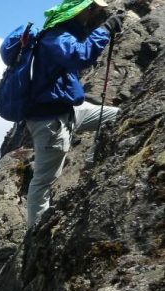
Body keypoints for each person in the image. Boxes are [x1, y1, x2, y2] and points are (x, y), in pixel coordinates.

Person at [25, 0, 123, 227]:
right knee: (43, 182)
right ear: (78, 10)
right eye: (92, 9)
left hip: (68, 111)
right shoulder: (55, 38)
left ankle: (92, 161)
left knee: (119, 116)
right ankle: (33, 239)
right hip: (51, 121)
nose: (94, 13)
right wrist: (105, 30)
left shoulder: (62, 35)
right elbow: (80, 56)